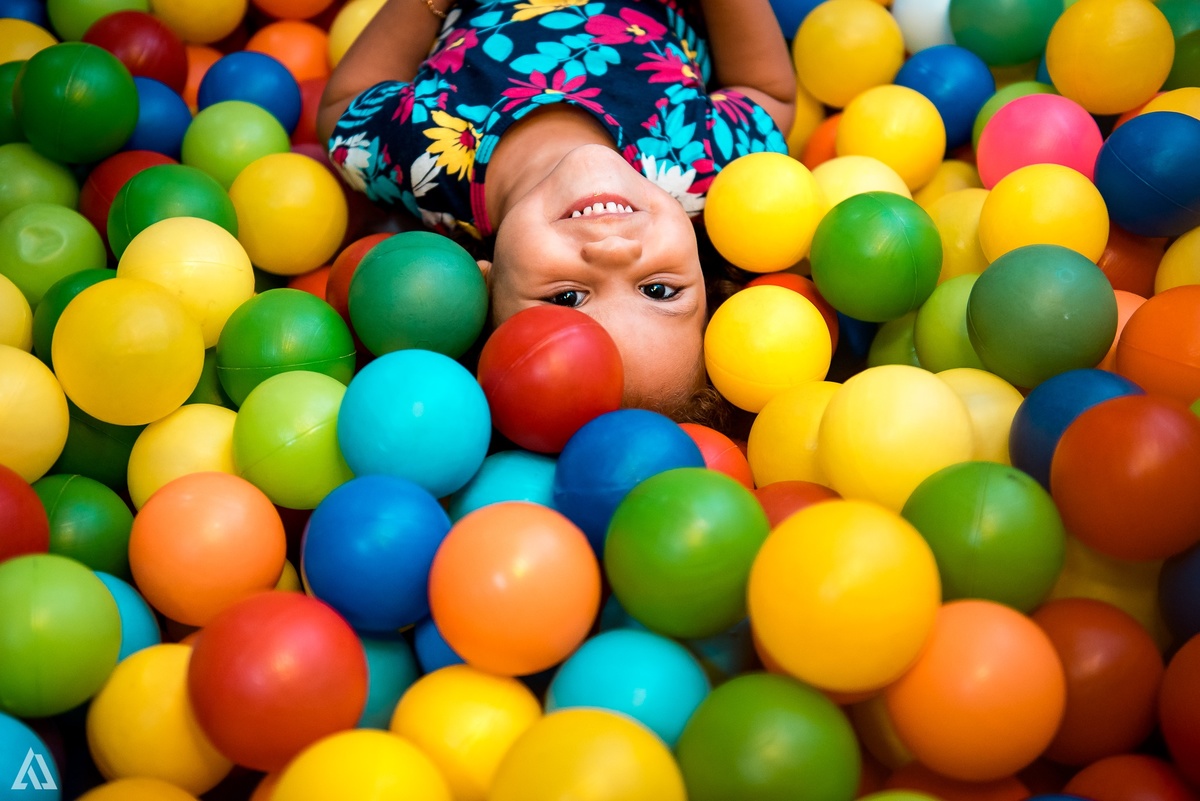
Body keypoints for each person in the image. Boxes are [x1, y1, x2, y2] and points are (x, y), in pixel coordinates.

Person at [318, 0, 795, 419]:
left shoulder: (423, 166)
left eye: (568, 298)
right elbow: (771, 94)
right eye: (657, 289)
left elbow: (342, 108)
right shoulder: (698, 164)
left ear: (482, 287)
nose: (613, 250)